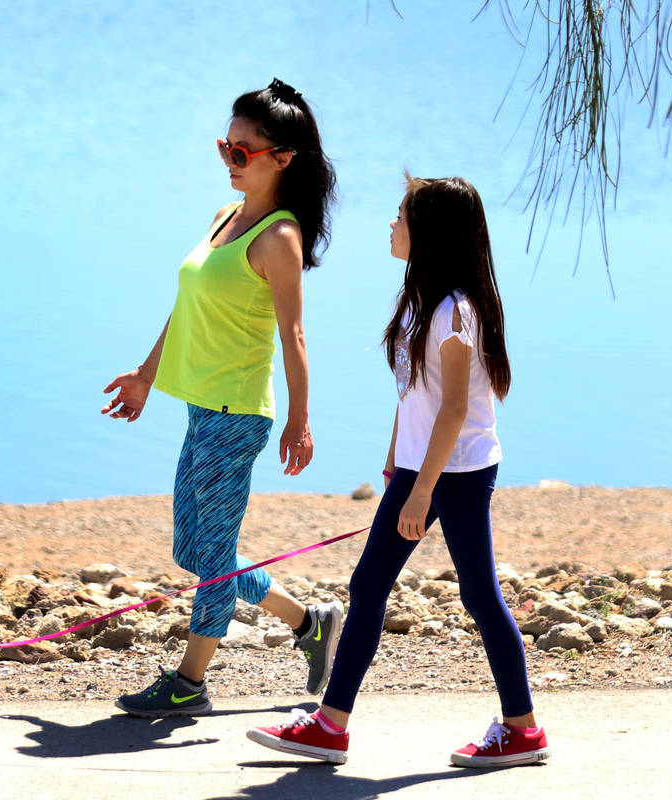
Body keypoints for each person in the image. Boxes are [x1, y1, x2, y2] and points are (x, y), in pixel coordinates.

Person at [248, 175, 550, 767]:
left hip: (455, 471)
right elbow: (415, 394)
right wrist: (394, 462)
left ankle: (522, 729)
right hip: (421, 468)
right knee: (370, 588)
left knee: (479, 595)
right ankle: (331, 726)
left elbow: (456, 408)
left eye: (401, 217)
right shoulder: (420, 303)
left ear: (429, 233)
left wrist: (422, 492)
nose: (391, 225)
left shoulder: (455, 311)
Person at [100, 79, 341, 717]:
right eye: (225, 147)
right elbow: (187, 307)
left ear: (282, 158)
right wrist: (147, 375)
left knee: (211, 555)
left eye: (243, 151)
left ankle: (190, 682)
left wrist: (301, 419)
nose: (230, 159)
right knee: (194, 548)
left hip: (239, 414)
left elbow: (295, 336)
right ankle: (309, 623)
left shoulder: (278, 239)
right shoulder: (224, 218)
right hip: (201, 406)